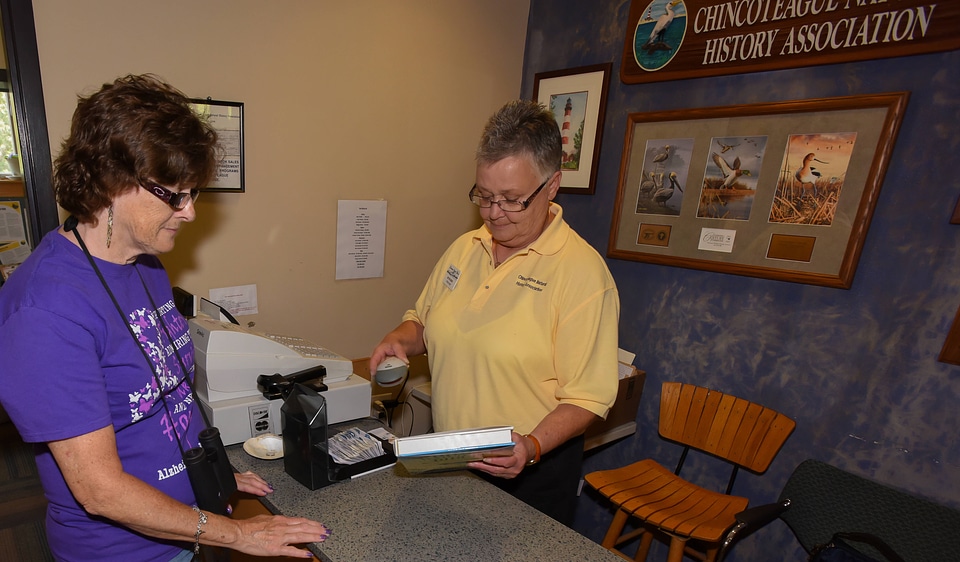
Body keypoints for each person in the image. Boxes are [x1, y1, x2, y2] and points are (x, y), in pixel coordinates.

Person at [0, 75, 329, 561]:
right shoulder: (45, 311)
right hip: (122, 551)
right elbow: (100, 490)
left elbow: (165, 397)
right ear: (112, 181)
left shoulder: (147, 263)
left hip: (185, 525)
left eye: (194, 192)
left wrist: (212, 472)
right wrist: (239, 534)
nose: (190, 211)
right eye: (175, 194)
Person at [369, 99, 620, 525]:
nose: (492, 213)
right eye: (483, 196)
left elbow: (588, 398)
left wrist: (532, 445)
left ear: (553, 185)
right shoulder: (466, 247)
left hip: (525, 474)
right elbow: (423, 321)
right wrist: (401, 337)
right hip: (446, 457)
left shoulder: (583, 275)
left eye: (511, 199)